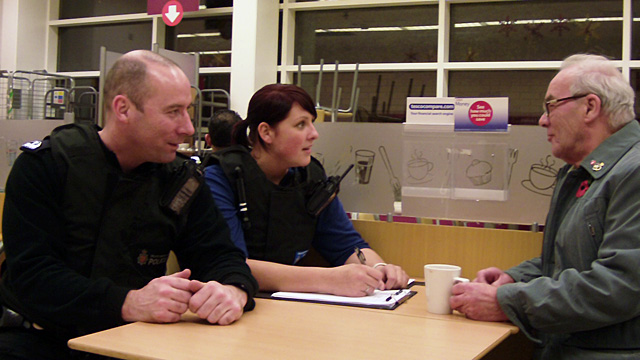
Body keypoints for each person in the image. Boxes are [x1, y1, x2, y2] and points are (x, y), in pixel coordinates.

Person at [0, 50, 258, 359]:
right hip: (35, 339)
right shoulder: (47, 166)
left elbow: (221, 255)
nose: (188, 128)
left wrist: (232, 290)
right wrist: (128, 302)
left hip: (128, 339)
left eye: (187, 110)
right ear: (123, 109)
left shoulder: (181, 180)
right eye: (173, 111)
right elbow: (35, 277)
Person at [450, 54, 640, 359]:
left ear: (590, 107)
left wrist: (507, 300)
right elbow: (566, 261)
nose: (542, 119)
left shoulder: (633, 172)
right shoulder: (583, 172)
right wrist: (516, 278)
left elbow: (620, 286)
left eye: (551, 105)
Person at [204, 83, 409, 297]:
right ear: (266, 132)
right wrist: (329, 279)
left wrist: (378, 269)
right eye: (301, 125)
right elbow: (232, 264)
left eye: (312, 123)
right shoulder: (221, 178)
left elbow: (347, 244)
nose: (314, 134)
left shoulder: (310, 178)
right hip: (231, 304)